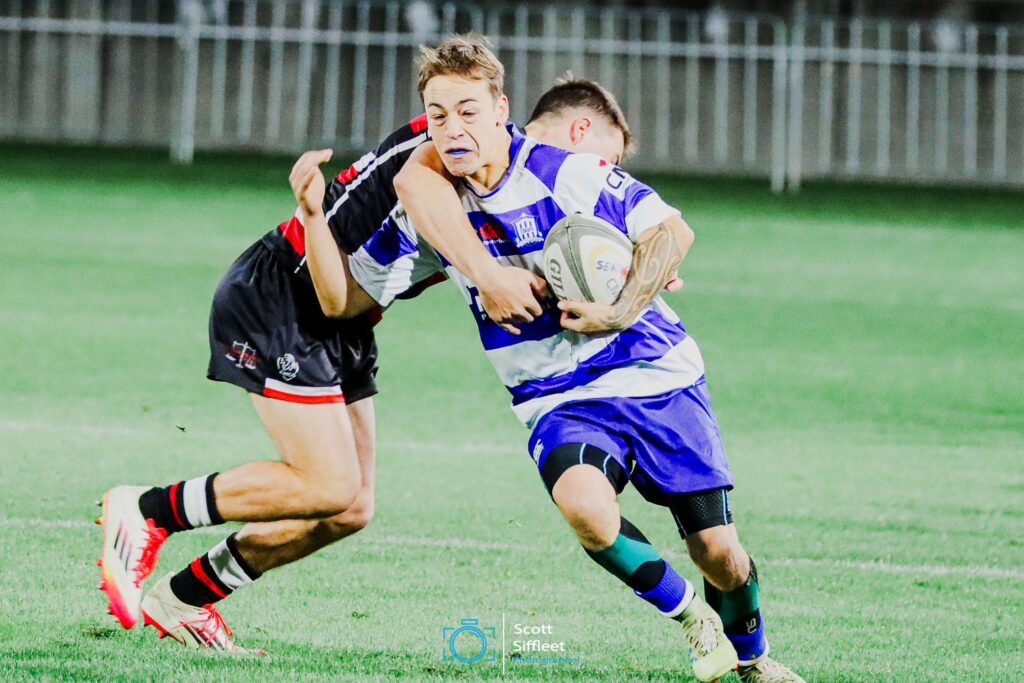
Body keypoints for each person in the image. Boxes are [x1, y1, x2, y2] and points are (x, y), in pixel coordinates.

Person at [296, 36, 802, 682]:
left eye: (468, 112)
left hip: (655, 372)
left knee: (719, 554)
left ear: (501, 110)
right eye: (438, 114)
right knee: (587, 509)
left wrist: (618, 309)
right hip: (555, 395)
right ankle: (691, 618)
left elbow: (671, 231)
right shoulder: (430, 210)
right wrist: (313, 215)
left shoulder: (562, 171)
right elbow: (341, 300)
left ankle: (754, 658)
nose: (453, 129)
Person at [96, 79, 649, 652]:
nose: (601, 184)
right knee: (326, 482)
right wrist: (489, 276)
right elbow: (416, 181)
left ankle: (183, 598)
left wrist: (631, 273)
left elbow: (559, 262)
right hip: (286, 295)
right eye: (605, 164)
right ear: (578, 132)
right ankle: (148, 510)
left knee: (350, 506)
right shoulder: (464, 143)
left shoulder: (513, 187)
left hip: (346, 318)